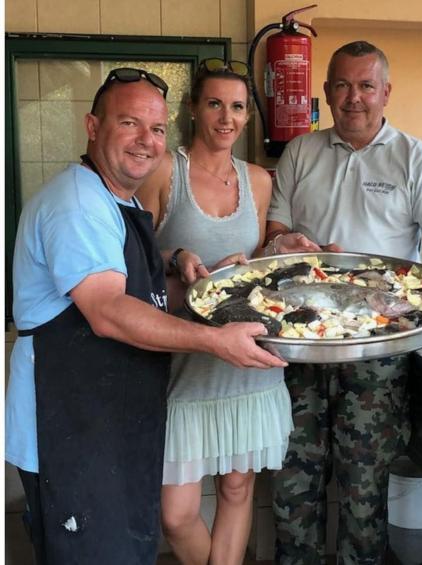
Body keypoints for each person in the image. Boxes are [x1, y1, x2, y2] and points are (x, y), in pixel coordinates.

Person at [5, 69, 285, 564]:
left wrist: (206, 279)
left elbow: (146, 293)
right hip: (70, 423)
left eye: (155, 129)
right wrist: (216, 341)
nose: (145, 141)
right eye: (129, 123)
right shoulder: (77, 203)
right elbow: (109, 310)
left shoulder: (116, 199)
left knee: (125, 546)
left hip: (106, 419)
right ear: (93, 126)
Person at [265, 41, 422, 563]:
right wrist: (282, 242)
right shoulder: (300, 151)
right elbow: (275, 234)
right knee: (293, 485)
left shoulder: (414, 156)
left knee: (363, 488)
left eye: (365, 86)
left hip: (376, 348)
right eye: (341, 85)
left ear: (385, 92)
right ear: (327, 90)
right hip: (300, 343)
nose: (353, 98)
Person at [136, 59, 311, 565]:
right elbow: (136, 262)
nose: (226, 117)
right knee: (177, 513)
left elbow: (253, 264)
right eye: (214, 103)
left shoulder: (258, 180)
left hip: (247, 361)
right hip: (183, 365)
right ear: (193, 109)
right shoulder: (165, 170)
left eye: (237, 107)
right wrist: (178, 259)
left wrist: (280, 253)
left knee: (237, 491)